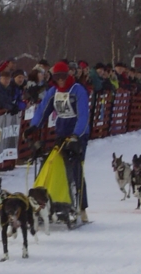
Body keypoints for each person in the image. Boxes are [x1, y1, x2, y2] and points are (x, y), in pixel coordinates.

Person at [25, 61, 90, 223]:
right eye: (57, 78)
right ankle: (51, 201)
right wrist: (33, 126)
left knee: (75, 168)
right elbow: (43, 110)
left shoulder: (78, 90)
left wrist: (76, 135)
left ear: (68, 75)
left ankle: (81, 208)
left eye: (63, 77)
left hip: (78, 134)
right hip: (61, 132)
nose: (60, 81)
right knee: (53, 164)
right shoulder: (53, 91)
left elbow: (83, 115)